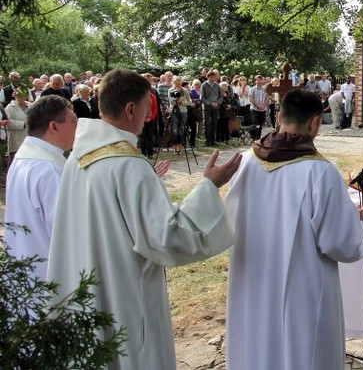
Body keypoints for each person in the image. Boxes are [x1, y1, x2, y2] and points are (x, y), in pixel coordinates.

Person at [47, 68, 242, 369]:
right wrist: (208, 186)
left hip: (87, 280)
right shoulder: (129, 165)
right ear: (130, 109)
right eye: (148, 106)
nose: (151, 113)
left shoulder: (78, 156)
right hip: (124, 290)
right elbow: (167, 238)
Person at [225, 89, 363, 370]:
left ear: (278, 117)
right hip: (303, 290)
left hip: (252, 282)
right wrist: (351, 219)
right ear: (315, 123)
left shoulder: (245, 163)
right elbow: (342, 244)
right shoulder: (320, 172)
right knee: (304, 353)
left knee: (257, 348)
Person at [4, 96, 77, 282]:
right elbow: (68, 233)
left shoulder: (24, 157)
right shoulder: (51, 170)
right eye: (73, 122)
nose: (77, 129)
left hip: (24, 267)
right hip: (48, 276)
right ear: (54, 126)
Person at [5, 87, 32, 165]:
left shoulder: (30, 106)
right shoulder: (10, 108)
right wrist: (23, 124)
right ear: (15, 95)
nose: (20, 97)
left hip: (29, 137)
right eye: (18, 95)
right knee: (15, 162)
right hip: (16, 139)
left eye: (22, 95)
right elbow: (8, 122)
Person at [168, 75, 192, 155]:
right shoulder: (170, 90)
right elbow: (171, 102)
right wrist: (176, 99)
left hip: (183, 111)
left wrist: (183, 103)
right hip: (174, 111)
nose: (178, 85)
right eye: (176, 83)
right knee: (175, 130)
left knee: (182, 129)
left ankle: (180, 146)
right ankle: (175, 147)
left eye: (179, 83)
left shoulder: (185, 90)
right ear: (173, 83)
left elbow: (189, 102)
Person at [201, 69, 222, 146]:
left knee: (214, 123)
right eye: (210, 77)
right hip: (208, 107)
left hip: (216, 107)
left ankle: (213, 141)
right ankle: (207, 141)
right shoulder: (204, 85)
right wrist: (210, 103)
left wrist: (217, 103)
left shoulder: (217, 85)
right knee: (207, 124)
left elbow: (221, 97)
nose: (212, 78)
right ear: (207, 77)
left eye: (213, 77)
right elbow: (202, 98)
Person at [249, 75, 269, 140]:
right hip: (254, 109)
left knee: (260, 124)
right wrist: (258, 106)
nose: (259, 81)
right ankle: (253, 137)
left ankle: (258, 137)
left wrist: (263, 106)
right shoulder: (252, 89)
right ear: (255, 81)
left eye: (260, 80)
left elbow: (267, 98)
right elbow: (251, 99)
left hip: (263, 109)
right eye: (257, 80)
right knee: (254, 123)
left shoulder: (265, 89)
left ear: (262, 81)